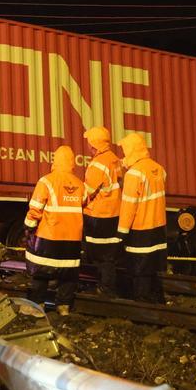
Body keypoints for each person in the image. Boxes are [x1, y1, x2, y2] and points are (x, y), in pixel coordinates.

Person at [23, 145, 84, 316]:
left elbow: (35, 208)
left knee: (41, 272)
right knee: (68, 274)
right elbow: (85, 204)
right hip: (72, 238)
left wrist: (28, 226)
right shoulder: (80, 184)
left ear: (55, 161)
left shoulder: (46, 181)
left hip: (49, 237)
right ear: (72, 163)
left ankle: (36, 306)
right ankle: (64, 307)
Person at [117, 133, 168, 303]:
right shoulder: (158, 169)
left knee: (140, 269)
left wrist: (121, 232)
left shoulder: (134, 174)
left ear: (131, 150)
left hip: (141, 229)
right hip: (159, 227)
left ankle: (142, 303)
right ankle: (157, 300)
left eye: (125, 151)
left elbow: (128, 206)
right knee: (154, 268)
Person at [81, 126, 123, 297]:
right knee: (109, 253)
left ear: (93, 145)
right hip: (114, 213)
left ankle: (105, 288)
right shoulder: (114, 159)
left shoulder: (98, 164)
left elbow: (87, 191)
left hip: (99, 214)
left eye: (88, 142)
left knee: (100, 254)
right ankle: (106, 286)